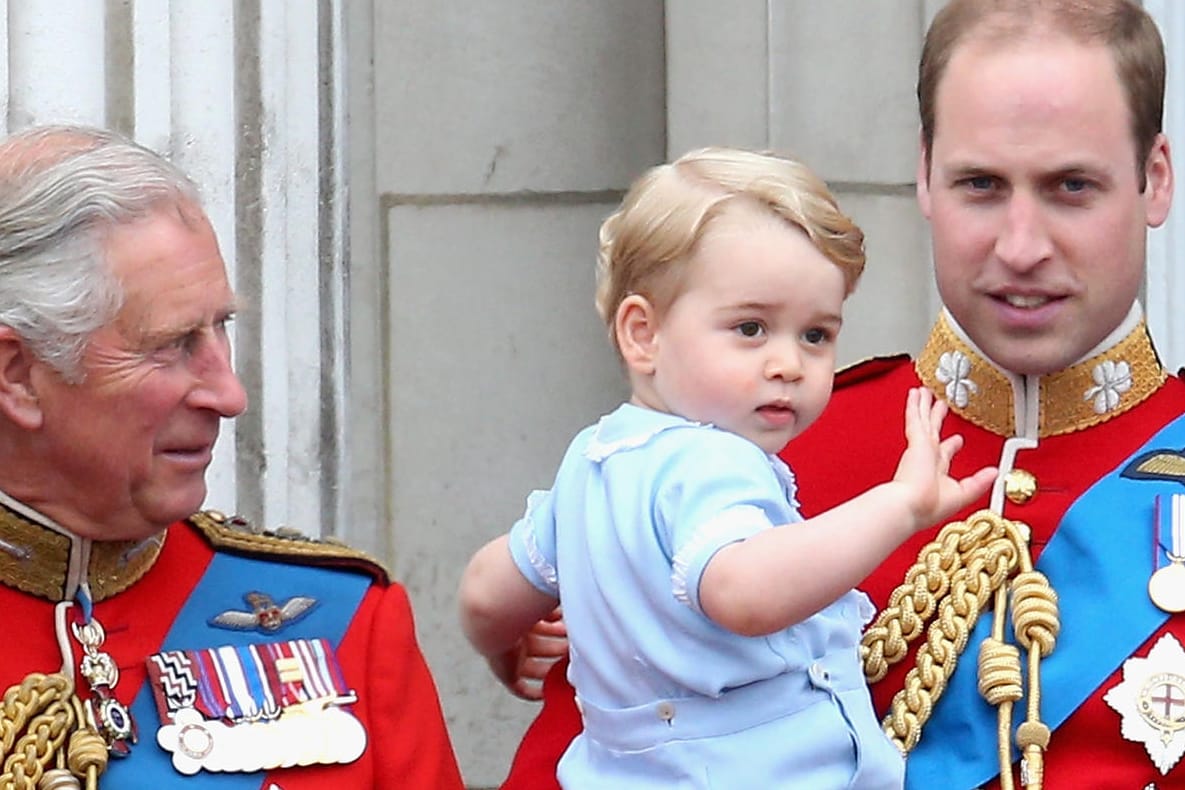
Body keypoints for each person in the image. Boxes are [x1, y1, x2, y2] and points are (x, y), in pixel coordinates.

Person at [498, 1, 1185, 788]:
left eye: (1070, 186)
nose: (1019, 247)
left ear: (1153, 180)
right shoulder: (741, 456)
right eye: (980, 185)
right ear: (924, 174)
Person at [460, 147, 996, 788]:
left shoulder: (592, 461)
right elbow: (745, 592)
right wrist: (900, 504)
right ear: (643, 334)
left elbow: (485, 591)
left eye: (815, 335)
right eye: (750, 328)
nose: (788, 364)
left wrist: (505, 647)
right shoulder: (713, 461)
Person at [0, 124, 464, 789]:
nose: (229, 393)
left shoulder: (345, 619)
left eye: (221, 328)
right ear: (16, 373)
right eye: (170, 344)